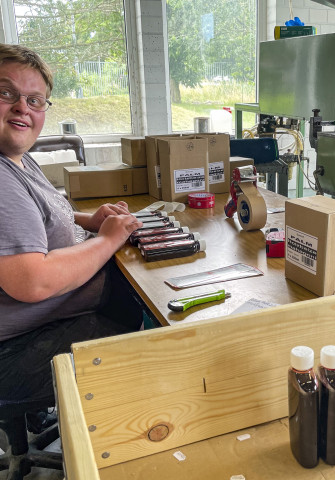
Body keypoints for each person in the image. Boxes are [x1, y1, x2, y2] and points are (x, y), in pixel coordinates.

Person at [0, 44, 144, 432]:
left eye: (35, 100)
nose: (22, 108)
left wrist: (90, 220)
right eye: (6, 93)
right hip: (14, 353)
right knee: (153, 347)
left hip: (36, 327)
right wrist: (110, 240)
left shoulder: (17, 158)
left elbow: (40, 216)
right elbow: (34, 280)